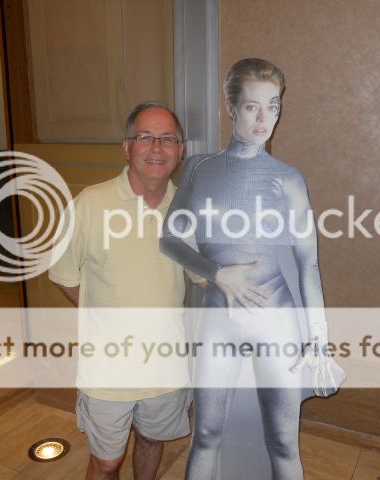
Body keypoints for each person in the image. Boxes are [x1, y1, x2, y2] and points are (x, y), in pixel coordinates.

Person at [160, 58, 340, 480]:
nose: (264, 120)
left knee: (283, 442)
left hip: (276, 321)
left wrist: (319, 340)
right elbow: (169, 239)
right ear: (230, 107)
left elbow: (308, 263)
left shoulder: (289, 179)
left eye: (273, 106)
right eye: (252, 107)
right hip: (218, 316)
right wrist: (217, 273)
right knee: (206, 435)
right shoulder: (200, 168)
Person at [49, 101, 191, 480]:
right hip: (107, 369)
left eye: (167, 138)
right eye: (145, 137)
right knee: (106, 462)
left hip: (166, 366)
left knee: (151, 440)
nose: (157, 147)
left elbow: (205, 278)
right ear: (127, 147)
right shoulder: (90, 204)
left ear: (181, 150)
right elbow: (64, 275)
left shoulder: (189, 210)